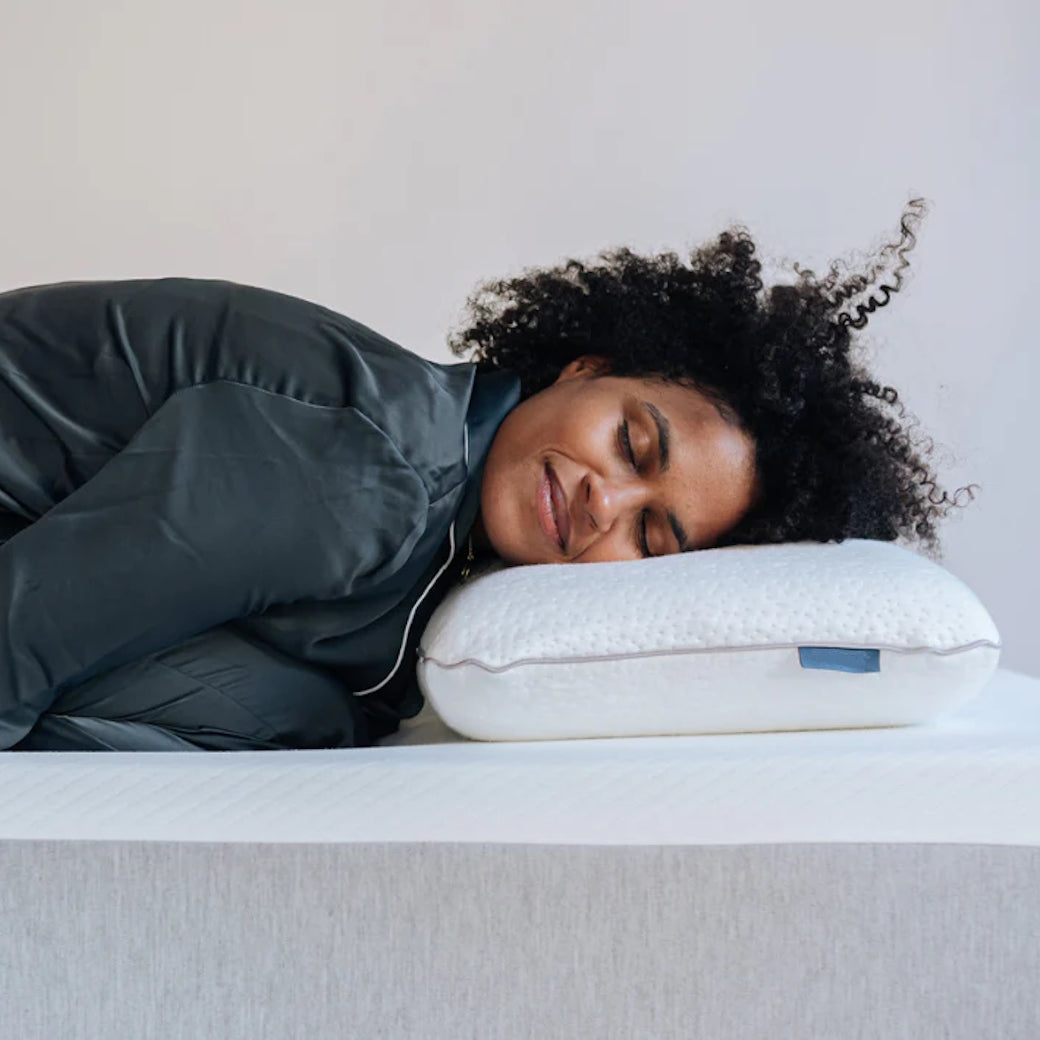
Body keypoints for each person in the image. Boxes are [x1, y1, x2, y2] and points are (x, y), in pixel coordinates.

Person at [0, 198, 971, 752]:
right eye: (633, 445)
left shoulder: (435, 558)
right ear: (584, 367)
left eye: (651, 535)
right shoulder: (384, 466)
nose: (605, 500)